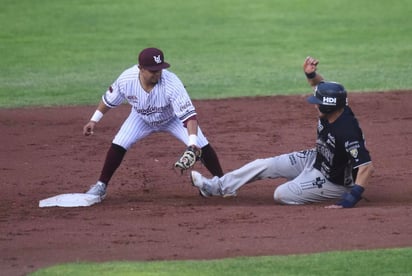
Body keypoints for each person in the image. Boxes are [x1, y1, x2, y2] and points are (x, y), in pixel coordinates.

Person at [190, 56, 374, 208]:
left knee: (281, 195)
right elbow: (320, 85)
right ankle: (215, 187)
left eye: (318, 103)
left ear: (328, 107)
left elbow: (366, 166)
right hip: (316, 158)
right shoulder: (338, 104)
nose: (314, 105)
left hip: (335, 181)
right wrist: (311, 74)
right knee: (264, 164)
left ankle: (312, 186)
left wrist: (351, 199)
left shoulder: (347, 130)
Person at [84, 47, 224, 200]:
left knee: (201, 144)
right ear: (141, 69)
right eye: (152, 71)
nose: (157, 73)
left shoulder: (172, 83)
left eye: (159, 69)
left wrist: (192, 144)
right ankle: (101, 185)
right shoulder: (126, 80)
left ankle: (224, 184)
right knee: (119, 143)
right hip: (140, 118)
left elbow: (190, 117)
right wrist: (94, 120)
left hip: (172, 119)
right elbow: (109, 100)